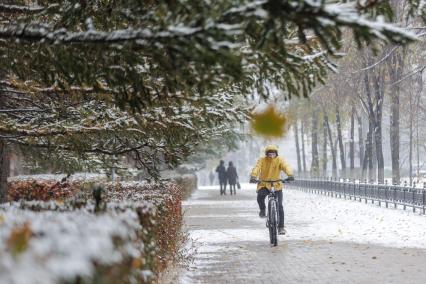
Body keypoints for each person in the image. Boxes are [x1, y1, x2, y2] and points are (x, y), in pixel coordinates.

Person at [249, 145, 294, 235]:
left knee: (280, 206)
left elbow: (286, 166)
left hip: (276, 185)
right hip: (264, 184)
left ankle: (281, 227)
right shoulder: (262, 160)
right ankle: (263, 209)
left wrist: (290, 175)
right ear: (266, 154)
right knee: (260, 196)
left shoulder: (280, 160)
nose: (271, 155)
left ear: (276, 154)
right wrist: (253, 176)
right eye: (269, 154)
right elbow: (257, 168)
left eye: (273, 153)